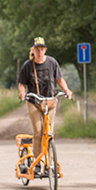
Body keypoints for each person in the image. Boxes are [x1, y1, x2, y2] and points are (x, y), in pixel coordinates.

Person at [18, 37, 73, 165]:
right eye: (37, 49)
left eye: (42, 49)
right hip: (34, 102)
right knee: (38, 132)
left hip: (50, 101)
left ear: (45, 50)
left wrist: (67, 90)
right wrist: (22, 93)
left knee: (49, 132)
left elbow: (59, 79)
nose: (40, 52)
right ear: (33, 50)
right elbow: (22, 83)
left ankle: (49, 159)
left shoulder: (52, 62)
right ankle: (37, 162)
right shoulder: (28, 65)